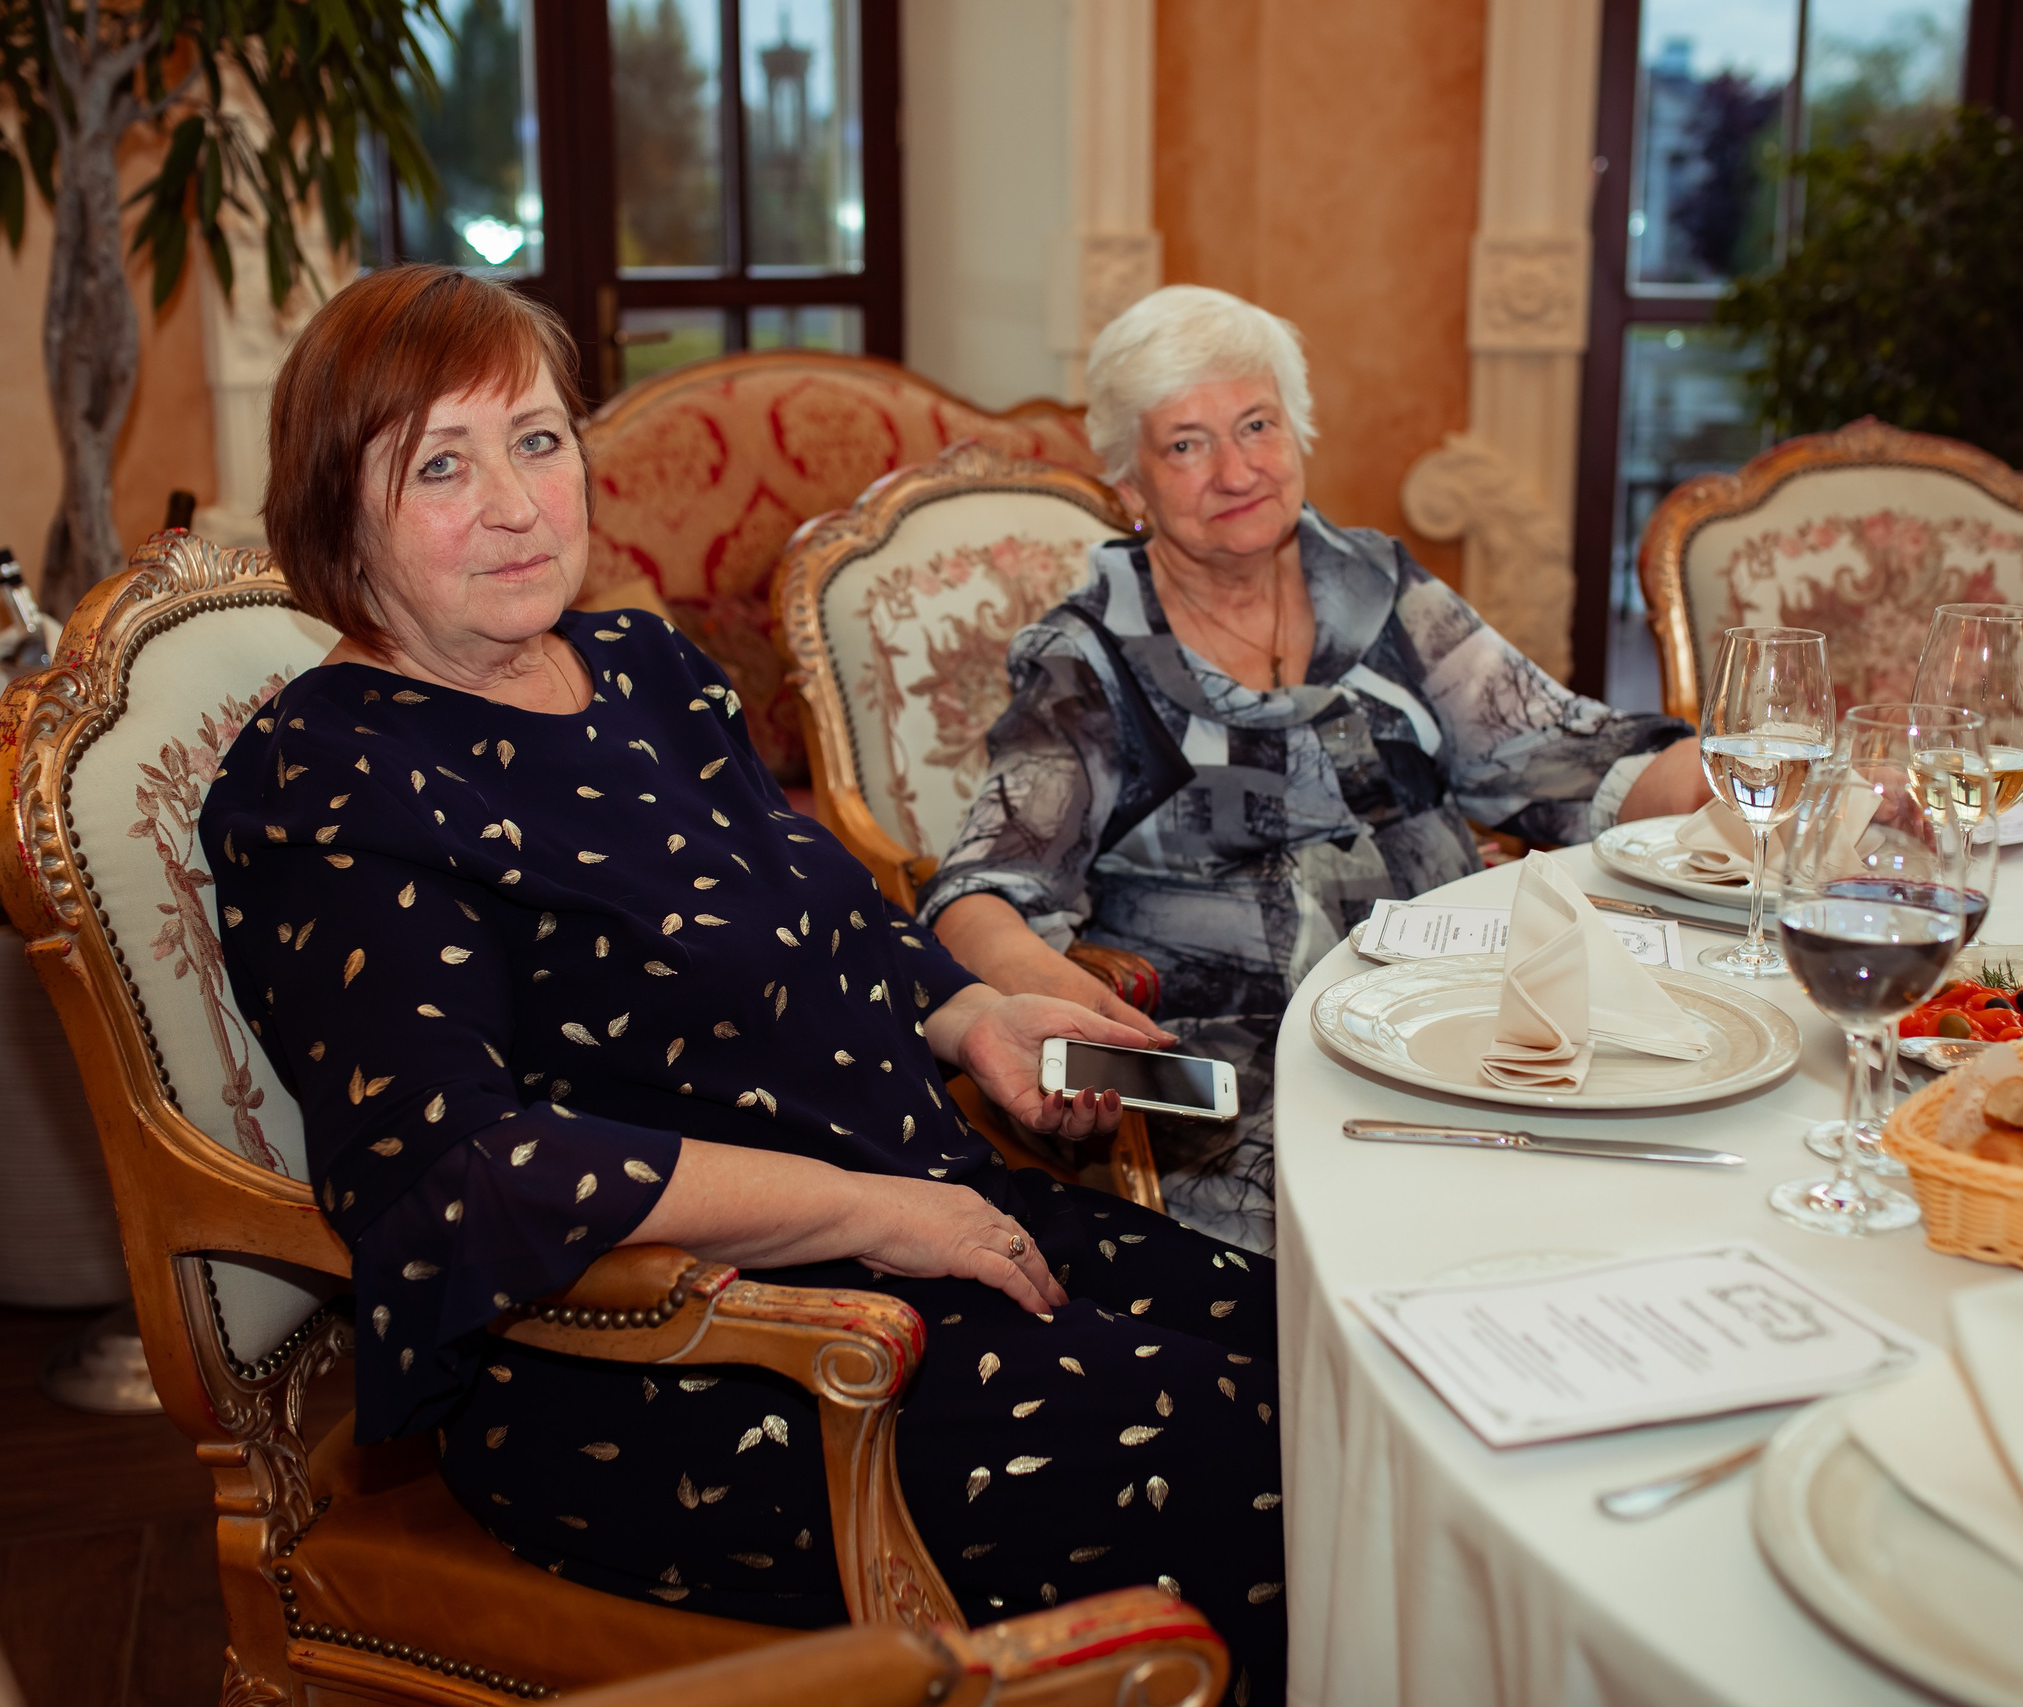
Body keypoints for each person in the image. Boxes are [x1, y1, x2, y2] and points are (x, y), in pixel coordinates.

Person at [199, 265, 1289, 1702]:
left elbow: (829, 909)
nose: (519, 503)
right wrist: (878, 1213)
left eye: (536, 439)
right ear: (340, 511)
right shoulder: (331, 777)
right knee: (1250, 1459)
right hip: (674, 1353)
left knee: (1321, 1362)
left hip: (932, 1216)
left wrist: (979, 1014)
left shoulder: (643, 667)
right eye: (441, 467)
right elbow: (471, 1169)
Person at [921, 286, 1711, 1252]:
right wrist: (1062, 1017)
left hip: (1465, 1021)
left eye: (1257, 424)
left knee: (1654, 1175)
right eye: (1185, 443)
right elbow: (981, 891)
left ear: (1297, 431)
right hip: (1244, 1076)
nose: (1235, 468)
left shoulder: (1380, 591)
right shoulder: (1088, 659)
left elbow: (1564, 752)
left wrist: (1764, 777)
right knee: (1446, 1243)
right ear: (1130, 485)